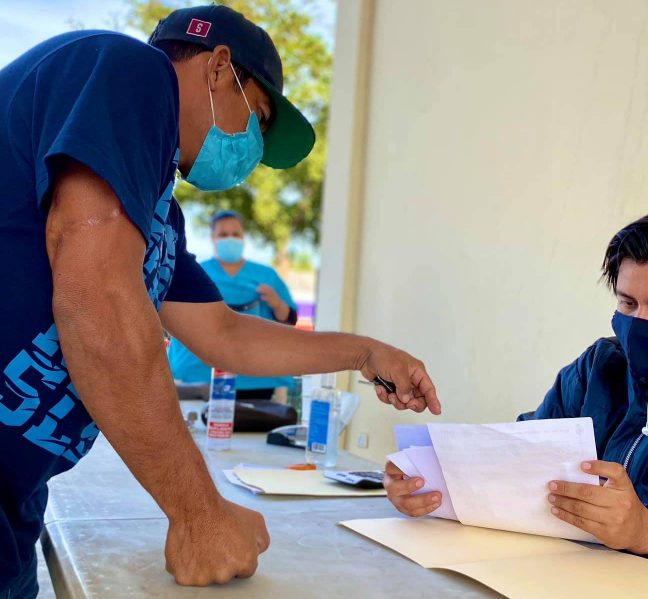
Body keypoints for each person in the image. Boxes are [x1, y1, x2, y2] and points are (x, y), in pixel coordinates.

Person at [0, 5, 440, 597]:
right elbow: (97, 300)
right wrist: (199, 514)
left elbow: (221, 334)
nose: (251, 149)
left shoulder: (157, 215)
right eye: (255, 116)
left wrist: (364, 353)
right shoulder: (125, 69)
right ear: (218, 69)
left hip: (14, 503)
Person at [383, 202, 648, 598]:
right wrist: (427, 480)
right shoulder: (600, 367)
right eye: (627, 303)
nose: (640, 324)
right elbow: (516, 460)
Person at [169, 209, 298, 400]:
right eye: (223, 234)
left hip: (256, 378)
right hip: (200, 377)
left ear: (243, 237)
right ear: (212, 238)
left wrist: (277, 303)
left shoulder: (266, 275)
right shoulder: (195, 272)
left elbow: (290, 320)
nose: (230, 239)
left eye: (235, 234)